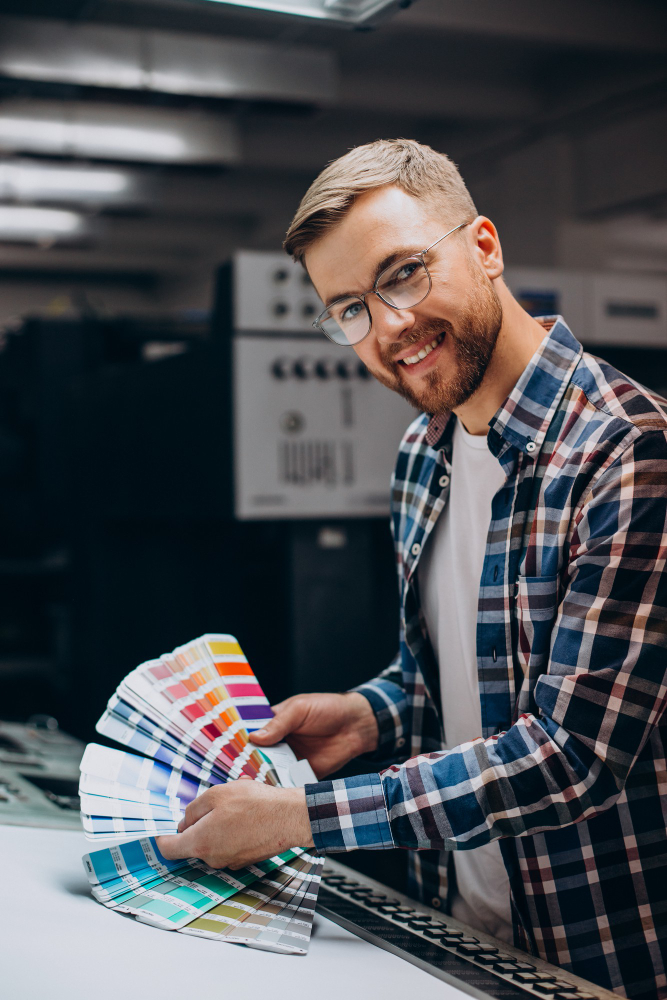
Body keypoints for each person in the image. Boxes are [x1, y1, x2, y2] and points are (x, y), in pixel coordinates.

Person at [158, 139, 667, 1000]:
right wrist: (370, 715)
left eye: (402, 275)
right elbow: (441, 678)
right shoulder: (419, 453)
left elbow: (569, 755)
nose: (388, 328)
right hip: (465, 937)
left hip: (601, 958)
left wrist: (302, 818)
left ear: (485, 247)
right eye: (349, 308)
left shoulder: (628, 453)